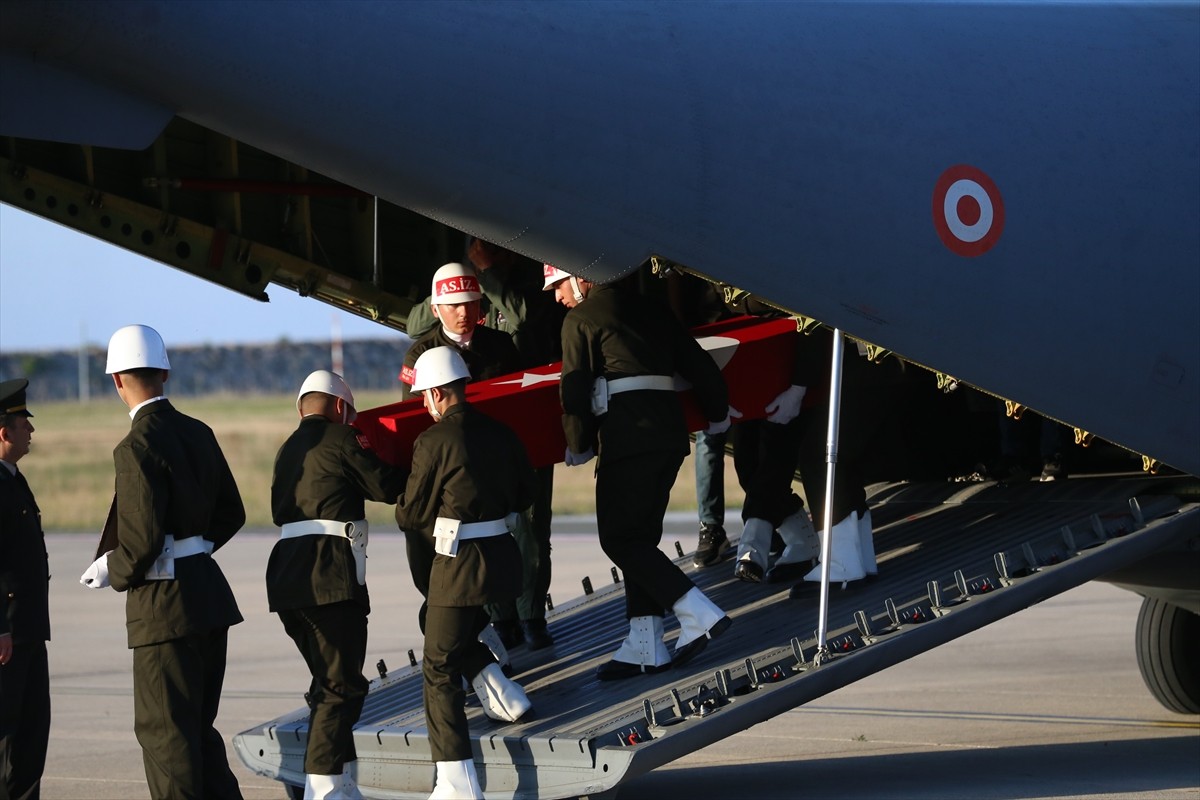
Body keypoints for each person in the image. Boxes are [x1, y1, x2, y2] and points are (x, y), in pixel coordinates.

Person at [80, 324, 246, 799]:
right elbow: (232, 514)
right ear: (165, 372)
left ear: (117, 381)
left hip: (164, 613)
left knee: (166, 738)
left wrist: (114, 568)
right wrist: (192, 551)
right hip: (208, 599)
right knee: (198, 731)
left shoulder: (135, 447)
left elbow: (142, 540)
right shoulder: (199, 431)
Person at [546, 264, 735, 680]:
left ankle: (696, 612)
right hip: (668, 438)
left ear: (582, 278)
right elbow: (698, 364)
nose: (557, 296)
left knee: (619, 539)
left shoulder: (580, 319)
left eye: (559, 284)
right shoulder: (653, 309)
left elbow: (574, 391)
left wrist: (578, 442)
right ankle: (645, 641)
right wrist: (717, 414)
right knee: (641, 539)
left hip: (627, 439)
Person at [395, 347, 536, 799]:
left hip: (459, 567)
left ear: (438, 393)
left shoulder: (433, 441)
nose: (424, 405)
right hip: (504, 561)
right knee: (438, 627)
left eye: (424, 398)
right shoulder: (502, 432)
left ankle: (456, 781)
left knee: (438, 668)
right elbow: (526, 493)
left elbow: (410, 514)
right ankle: (500, 687)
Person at [268, 370, 407, 799]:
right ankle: (324, 786)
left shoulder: (287, 449)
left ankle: (340, 780)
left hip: (287, 577)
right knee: (340, 685)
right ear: (342, 409)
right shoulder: (344, 439)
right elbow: (383, 485)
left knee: (326, 681)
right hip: (328, 575)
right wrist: (421, 461)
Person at [0, 379, 50, 800]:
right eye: (23, 424)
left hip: (28, 632)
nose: (30, 431)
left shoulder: (13, 479)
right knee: (8, 746)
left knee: (32, 741)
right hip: (7, 638)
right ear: (4, 432)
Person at [398, 262, 521, 401]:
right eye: (454, 305)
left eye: (471, 303)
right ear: (435, 310)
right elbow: (412, 411)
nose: (464, 312)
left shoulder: (501, 343)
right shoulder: (419, 355)